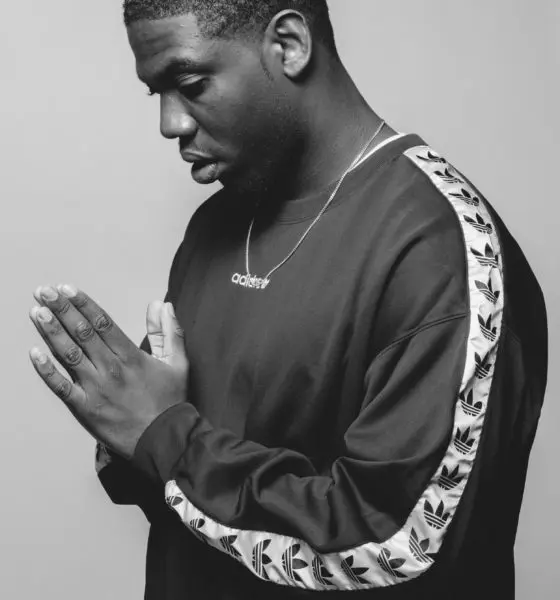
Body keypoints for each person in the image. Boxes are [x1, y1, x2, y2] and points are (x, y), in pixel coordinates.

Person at [29, 1, 547, 599]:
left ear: (290, 45)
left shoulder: (442, 253)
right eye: (157, 94)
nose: (170, 124)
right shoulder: (215, 225)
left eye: (190, 85)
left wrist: (165, 438)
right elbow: (163, 472)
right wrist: (124, 418)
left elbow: (395, 547)